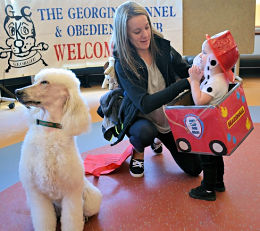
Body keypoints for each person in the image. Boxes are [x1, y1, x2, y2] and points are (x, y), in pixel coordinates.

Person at [109, 1, 202, 178]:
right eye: (137, 32)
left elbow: (184, 69)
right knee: (145, 133)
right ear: (125, 35)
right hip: (141, 119)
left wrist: (206, 67)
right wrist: (185, 82)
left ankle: (158, 138)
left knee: (195, 169)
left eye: (147, 27)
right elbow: (145, 104)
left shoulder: (161, 46)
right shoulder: (124, 64)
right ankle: (138, 149)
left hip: (167, 116)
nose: (145, 35)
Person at [188, 30, 239, 201]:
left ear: (215, 60)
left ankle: (208, 189)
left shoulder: (214, 83)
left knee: (207, 158)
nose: (200, 56)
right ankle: (218, 182)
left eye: (204, 53)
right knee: (216, 156)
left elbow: (200, 101)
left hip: (208, 128)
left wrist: (195, 82)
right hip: (216, 127)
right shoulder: (221, 77)